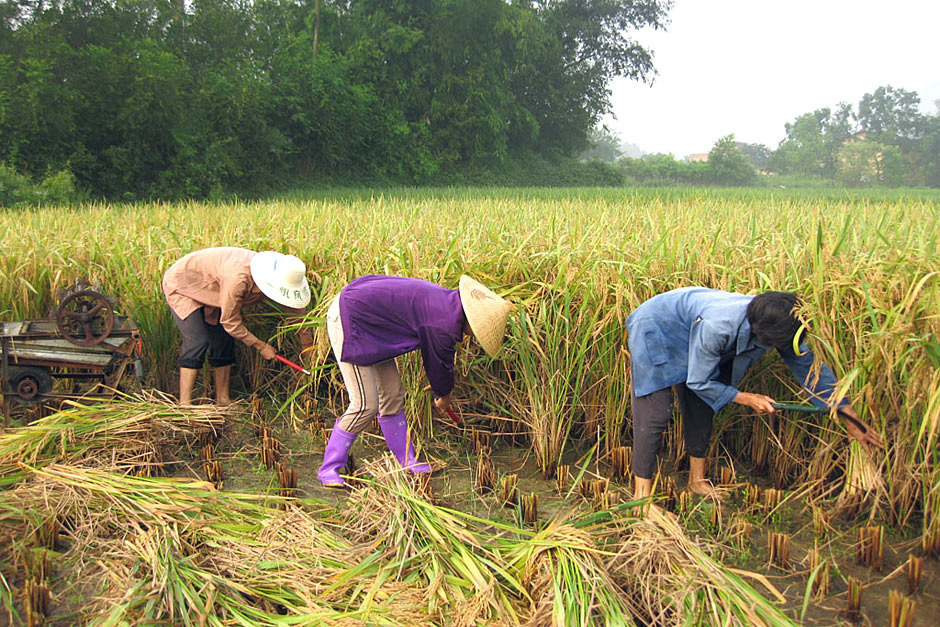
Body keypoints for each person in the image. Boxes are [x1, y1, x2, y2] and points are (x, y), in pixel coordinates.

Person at [625, 287, 883, 503]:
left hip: (692, 326)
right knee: (656, 412)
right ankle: (640, 498)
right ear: (766, 337)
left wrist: (847, 414)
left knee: (701, 405)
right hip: (657, 327)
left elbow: (810, 371)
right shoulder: (719, 327)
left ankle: (697, 481)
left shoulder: (780, 321)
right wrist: (747, 398)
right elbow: (699, 380)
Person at [317, 274, 512, 487]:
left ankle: (406, 461)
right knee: (365, 405)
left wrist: (440, 387)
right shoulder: (444, 322)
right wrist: (443, 394)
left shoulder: (449, 305)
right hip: (351, 317)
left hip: (373, 323)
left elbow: (438, 361)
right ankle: (329, 468)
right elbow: (439, 363)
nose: (473, 336)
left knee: (392, 395)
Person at [162, 247, 313, 405]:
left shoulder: (280, 277)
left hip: (213, 290)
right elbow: (229, 322)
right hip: (183, 285)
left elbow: (298, 315)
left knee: (224, 341)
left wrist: (308, 347)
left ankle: (223, 399)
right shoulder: (238, 279)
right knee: (198, 341)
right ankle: (185, 404)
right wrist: (261, 346)